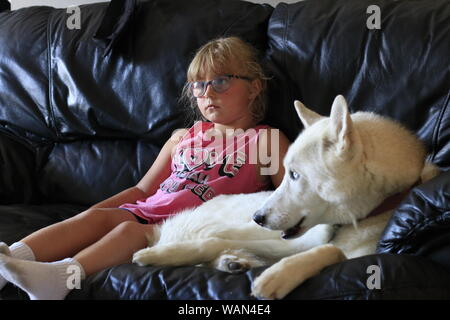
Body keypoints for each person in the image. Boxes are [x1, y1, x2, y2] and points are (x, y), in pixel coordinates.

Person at [0, 37, 290, 300]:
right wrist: (95, 213)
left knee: (129, 231)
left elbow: (291, 195)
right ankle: (8, 262)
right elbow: (142, 190)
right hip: (146, 210)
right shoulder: (182, 137)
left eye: (221, 81)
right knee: (99, 217)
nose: (207, 92)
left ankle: (62, 278)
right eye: (198, 85)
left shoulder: (267, 141)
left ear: (254, 86)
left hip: (183, 227)